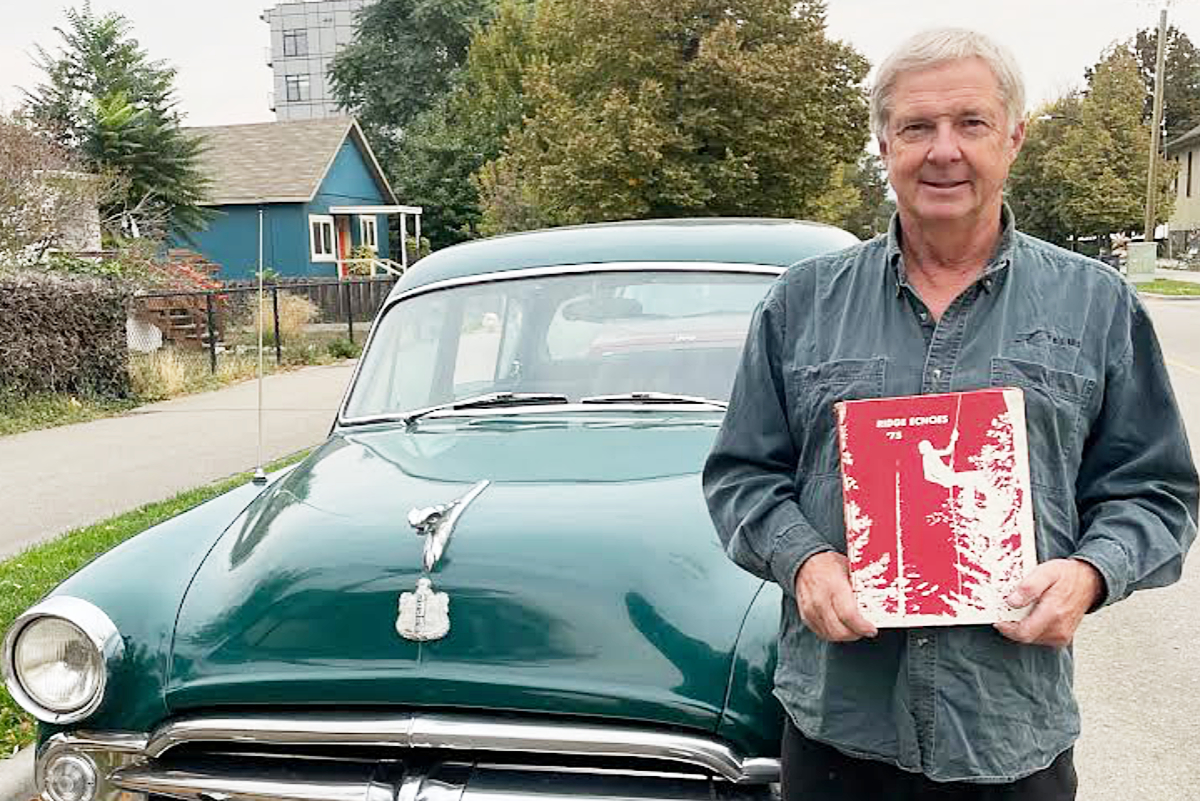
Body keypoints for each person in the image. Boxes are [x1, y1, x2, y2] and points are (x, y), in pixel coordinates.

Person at [703, 27, 1198, 801]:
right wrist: (802, 557)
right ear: (884, 143)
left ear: (1014, 136)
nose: (944, 151)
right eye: (916, 127)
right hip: (839, 732)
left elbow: (1155, 490)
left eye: (970, 123)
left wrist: (1091, 574)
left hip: (1010, 733)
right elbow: (742, 476)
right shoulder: (800, 304)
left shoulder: (1095, 304)